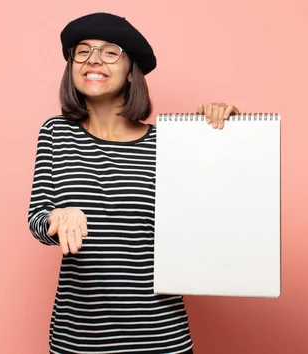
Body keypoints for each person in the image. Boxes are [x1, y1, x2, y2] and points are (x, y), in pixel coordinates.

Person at [27, 12, 240, 354]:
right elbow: (38, 219)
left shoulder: (171, 143)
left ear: (131, 72)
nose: (93, 59)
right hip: (79, 339)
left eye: (110, 51)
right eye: (82, 51)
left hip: (160, 335)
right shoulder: (56, 133)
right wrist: (57, 217)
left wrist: (227, 136)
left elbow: (222, 212)